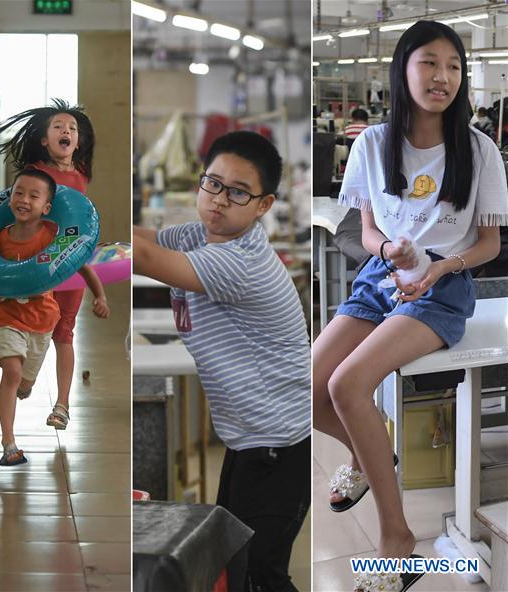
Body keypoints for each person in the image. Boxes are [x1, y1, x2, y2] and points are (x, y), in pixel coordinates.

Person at [314, 21, 507, 592]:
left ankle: (397, 539)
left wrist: (439, 267)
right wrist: (388, 251)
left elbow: (489, 245)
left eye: (453, 66)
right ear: (402, 69)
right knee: (308, 385)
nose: (442, 76)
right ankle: (370, 455)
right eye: (429, 62)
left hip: (444, 285)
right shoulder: (372, 144)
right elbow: (368, 230)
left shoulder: (479, 150)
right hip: (382, 276)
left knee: (347, 385)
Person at [133, 131, 311, 592]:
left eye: (238, 192)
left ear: (264, 205)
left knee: (259, 578)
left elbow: (144, 255)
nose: (219, 199)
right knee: (234, 569)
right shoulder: (199, 234)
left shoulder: (241, 261)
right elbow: (144, 238)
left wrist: (76, 231)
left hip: (279, 446)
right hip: (248, 438)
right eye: (213, 183)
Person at [0, 100, 109, 430]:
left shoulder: (81, 173)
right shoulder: (35, 172)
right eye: (58, 126)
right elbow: (16, 209)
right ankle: (26, 377)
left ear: (78, 141)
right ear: (44, 140)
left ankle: (62, 404)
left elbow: (82, 219)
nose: (66, 131)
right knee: (35, 325)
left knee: (64, 330)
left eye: (72, 128)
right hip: (37, 260)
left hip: (69, 260)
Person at [0, 167, 63, 465]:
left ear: (47, 207)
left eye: (33, 195)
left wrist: (100, 295)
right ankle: (8, 443)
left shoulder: (51, 237)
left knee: (24, 383)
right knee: (12, 373)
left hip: (41, 320)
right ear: (9, 198)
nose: (24, 200)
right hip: (7, 316)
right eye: (19, 193)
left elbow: (78, 264)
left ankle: (22, 380)